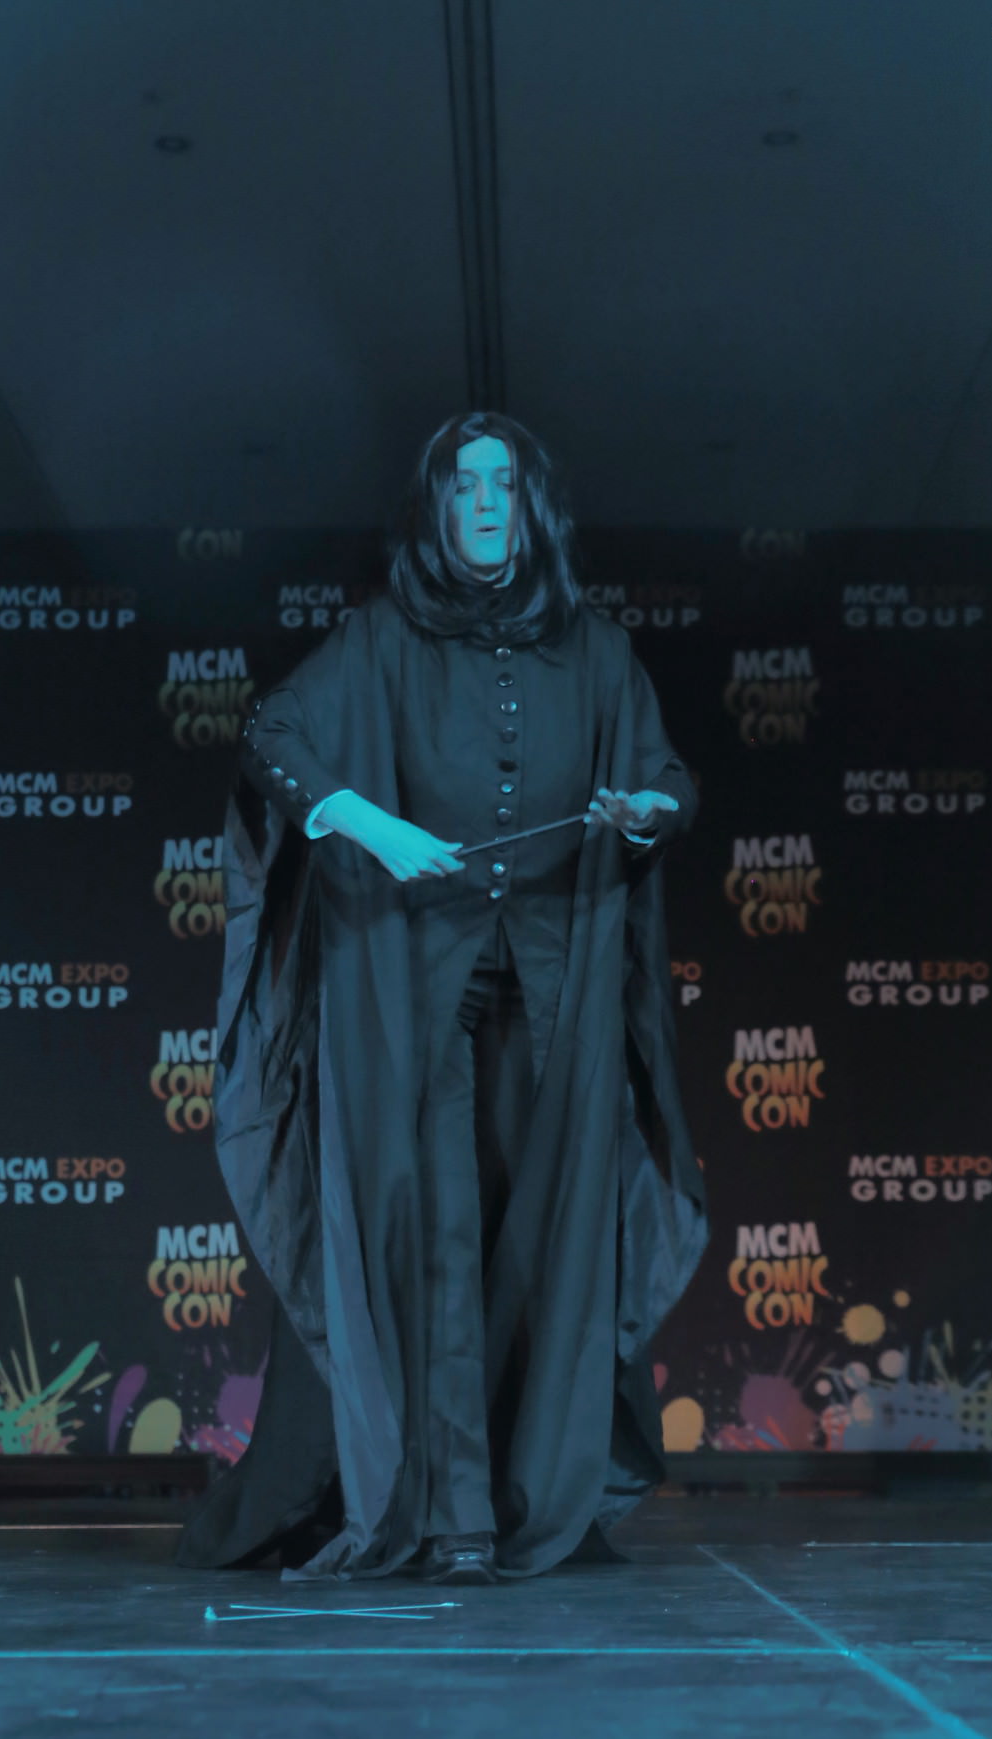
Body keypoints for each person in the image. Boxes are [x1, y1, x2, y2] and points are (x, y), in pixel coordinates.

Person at [174, 411, 709, 1586]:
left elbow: (669, 778)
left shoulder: (596, 651)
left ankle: (527, 1496)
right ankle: (451, 1514)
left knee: (543, 1235)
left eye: (502, 486)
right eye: (464, 487)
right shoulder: (382, 639)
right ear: (438, 508)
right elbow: (274, 735)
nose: (484, 506)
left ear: (530, 506)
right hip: (415, 988)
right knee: (436, 1235)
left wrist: (645, 813)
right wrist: (370, 824)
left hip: (554, 982)